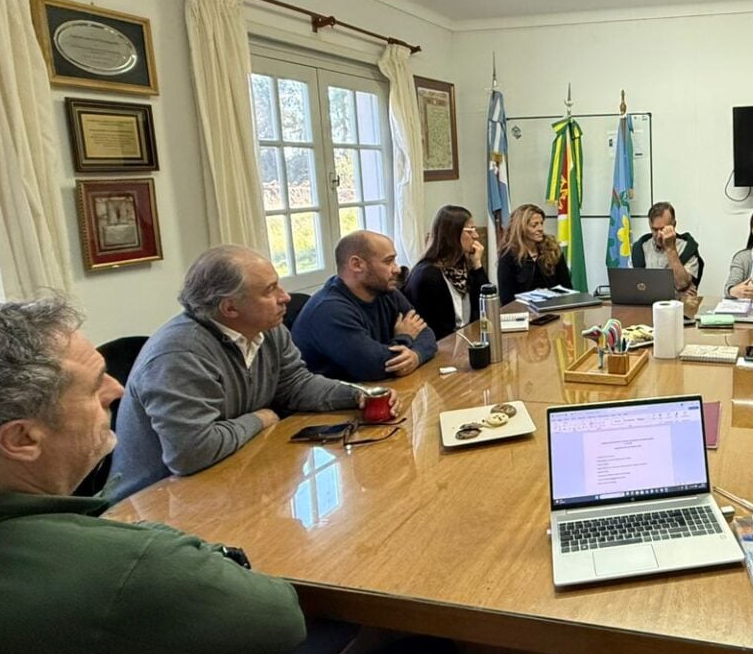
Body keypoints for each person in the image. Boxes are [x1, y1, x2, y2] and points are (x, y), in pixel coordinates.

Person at [0, 300, 458, 654]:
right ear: (21, 439)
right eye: (92, 385)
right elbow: (281, 623)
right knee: (437, 650)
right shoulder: (131, 566)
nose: (117, 388)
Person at [108, 245, 377, 502]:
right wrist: (260, 418)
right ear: (230, 308)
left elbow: (296, 385)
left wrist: (359, 396)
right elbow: (190, 453)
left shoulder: (268, 330)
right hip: (155, 502)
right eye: (270, 290)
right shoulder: (179, 355)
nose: (285, 297)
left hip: (232, 474)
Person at [292, 230, 438, 381]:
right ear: (357, 265)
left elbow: (426, 334)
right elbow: (375, 366)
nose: (397, 269)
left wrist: (416, 355)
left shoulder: (386, 291)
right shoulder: (328, 309)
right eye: (388, 261)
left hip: (379, 389)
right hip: (339, 399)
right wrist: (405, 337)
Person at [404, 205, 489, 340]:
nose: (476, 236)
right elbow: (435, 331)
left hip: (466, 339)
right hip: (443, 348)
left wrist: (477, 265)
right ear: (452, 234)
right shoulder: (428, 275)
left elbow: (487, 307)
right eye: (470, 230)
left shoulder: (461, 266)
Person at [496, 203, 572, 305]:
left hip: (554, 308)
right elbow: (506, 298)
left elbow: (567, 287)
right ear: (521, 228)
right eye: (534, 225)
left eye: (541, 223)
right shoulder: (508, 255)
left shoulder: (552, 249)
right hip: (523, 312)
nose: (540, 229)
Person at [630, 201, 702, 300]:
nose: (659, 235)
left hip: (678, 309)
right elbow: (634, 286)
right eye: (655, 230)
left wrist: (671, 249)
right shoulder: (640, 248)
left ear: (674, 224)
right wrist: (674, 293)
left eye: (664, 229)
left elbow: (682, 284)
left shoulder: (687, 247)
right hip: (647, 307)